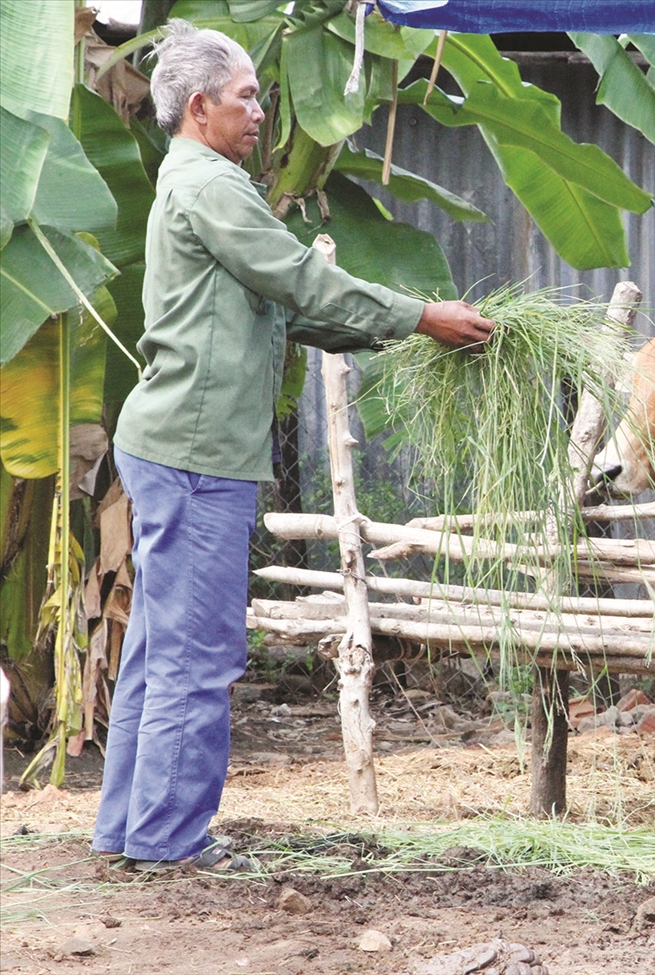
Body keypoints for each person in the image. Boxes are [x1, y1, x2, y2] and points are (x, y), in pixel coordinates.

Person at [92, 20, 493, 873]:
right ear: (199, 107)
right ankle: (170, 841)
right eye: (247, 96)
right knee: (198, 655)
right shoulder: (214, 184)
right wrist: (421, 313)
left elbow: (290, 309)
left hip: (173, 446)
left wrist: (404, 333)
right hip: (197, 455)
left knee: (161, 648)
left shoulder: (193, 180)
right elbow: (300, 277)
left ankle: (130, 829)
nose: (262, 110)